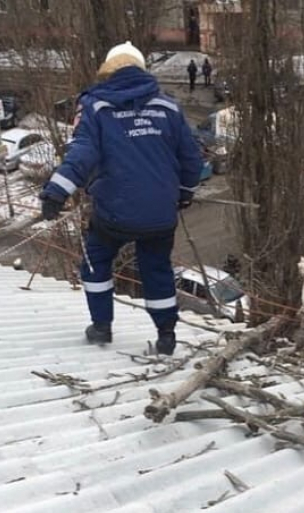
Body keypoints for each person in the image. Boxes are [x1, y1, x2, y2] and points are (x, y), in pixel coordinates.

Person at [39, 41, 203, 356]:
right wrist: (184, 194)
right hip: (160, 214)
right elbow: (191, 159)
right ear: (141, 70)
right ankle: (166, 335)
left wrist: (56, 192)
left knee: (97, 262)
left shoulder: (96, 106)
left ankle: (101, 327)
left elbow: (83, 152)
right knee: (157, 270)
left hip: (113, 213)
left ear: (108, 71)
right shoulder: (168, 107)